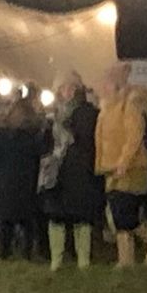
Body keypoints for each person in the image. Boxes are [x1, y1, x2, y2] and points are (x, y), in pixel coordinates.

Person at [96, 64, 147, 268]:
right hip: (111, 168)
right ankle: (125, 259)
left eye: (106, 83)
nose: (103, 87)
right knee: (118, 214)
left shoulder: (129, 105)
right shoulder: (106, 109)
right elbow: (101, 141)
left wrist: (124, 162)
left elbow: (134, 136)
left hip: (131, 168)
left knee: (126, 213)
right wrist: (101, 165)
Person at [41, 75, 103, 270]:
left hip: (79, 170)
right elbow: (45, 143)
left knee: (81, 216)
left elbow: (87, 140)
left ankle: (83, 261)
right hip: (56, 172)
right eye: (63, 87)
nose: (67, 91)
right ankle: (56, 261)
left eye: (71, 87)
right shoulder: (51, 115)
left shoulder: (86, 112)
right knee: (56, 216)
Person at [0, 96, 44, 259]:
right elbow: (38, 159)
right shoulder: (33, 138)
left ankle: (5, 252)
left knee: (5, 221)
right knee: (26, 220)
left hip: (4, 183)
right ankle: (27, 252)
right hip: (26, 183)